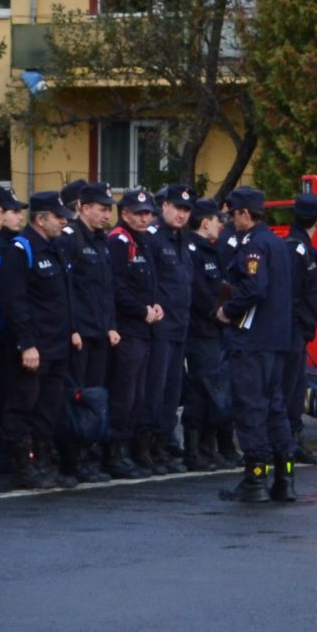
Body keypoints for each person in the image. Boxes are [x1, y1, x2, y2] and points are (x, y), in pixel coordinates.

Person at [217, 186, 297, 503]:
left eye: (234, 215)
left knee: (250, 407)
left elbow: (255, 288)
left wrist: (227, 310)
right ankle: (285, 476)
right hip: (275, 340)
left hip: (252, 341)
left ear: (245, 214)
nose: (231, 221)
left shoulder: (254, 245)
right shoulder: (277, 243)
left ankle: (256, 478)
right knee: (275, 408)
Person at [0, 191, 78, 488]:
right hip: (34, 346)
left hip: (57, 345)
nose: (63, 222)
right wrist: (26, 344)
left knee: (49, 406)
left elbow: (64, 297)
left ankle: (43, 462)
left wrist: (72, 330)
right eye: (58, 217)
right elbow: (15, 301)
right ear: (41, 219)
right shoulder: (21, 249)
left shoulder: (57, 248)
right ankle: (22, 466)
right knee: (23, 406)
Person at [104, 191, 165, 479]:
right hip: (127, 328)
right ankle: (114, 451)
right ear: (125, 213)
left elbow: (148, 283)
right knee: (124, 394)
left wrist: (155, 304)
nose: (145, 218)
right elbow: (117, 287)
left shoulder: (142, 241)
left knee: (138, 394)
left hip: (143, 328)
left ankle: (127, 448)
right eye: (139, 213)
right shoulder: (119, 241)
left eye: (148, 213)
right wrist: (142, 310)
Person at [62, 182, 119, 482]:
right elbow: (67, 289)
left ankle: (91, 453)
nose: (107, 215)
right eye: (102, 209)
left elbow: (106, 289)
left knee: (96, 396)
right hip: (80, 333)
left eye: (109, 210)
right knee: (78, 396)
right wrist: (72, 328)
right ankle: (74, 457)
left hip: (99, 331)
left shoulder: (101, 241)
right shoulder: (71, 238)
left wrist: (111, 325)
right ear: (84, 208)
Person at [145, 185, 200, 472]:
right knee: (155, 390)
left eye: (186, 210)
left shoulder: (182, 239)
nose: (182, 214)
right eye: (178, 207)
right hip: (160, 328)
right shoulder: (153, 237)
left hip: (180, 326)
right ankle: (149, 447)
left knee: (171, 392)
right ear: (164, 205)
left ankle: (164, 444)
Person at [181, 198, 234, 468]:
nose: (220, 226)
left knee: (215, 391)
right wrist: (221, 312)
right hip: (202, 331)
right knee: (201, 391)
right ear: (205, 223)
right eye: (216, 221)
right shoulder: (193, 251)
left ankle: (209, 447)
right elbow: (201, 294)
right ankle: (195, 450)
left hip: (216, 331)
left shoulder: (211, 250)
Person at [284, 192, 317, 466]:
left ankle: (294, 441)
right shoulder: (295, 249)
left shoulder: (303, 248)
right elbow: (292, 296)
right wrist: (301, 326)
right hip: (293, 332)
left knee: (296, 389)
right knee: (290, 390)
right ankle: (287, 445)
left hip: (298, 331)